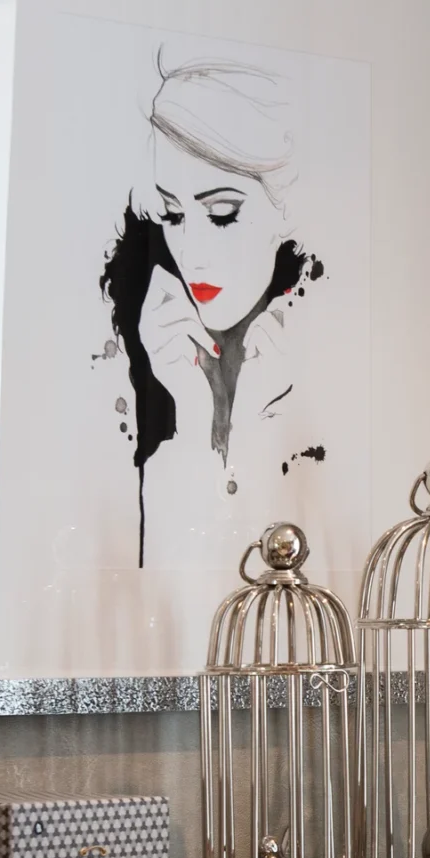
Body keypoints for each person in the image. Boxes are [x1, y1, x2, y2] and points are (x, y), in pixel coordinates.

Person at [100, 54, 327, 568]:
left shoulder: (327, 351)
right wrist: (185, 405)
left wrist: (261, 420)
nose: (192, 254)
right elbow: (164, 577)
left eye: (222, 214)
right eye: (173, 214)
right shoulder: (146, 345)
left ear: (286, 210)